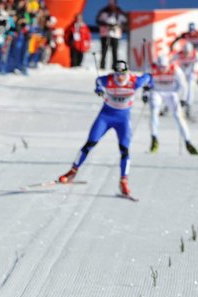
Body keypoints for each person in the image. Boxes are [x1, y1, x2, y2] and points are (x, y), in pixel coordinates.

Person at [58, 60, 150, 196]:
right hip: (106, 117)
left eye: (122, 74)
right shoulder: (108, 80)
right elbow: (98, 80)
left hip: (123, 119)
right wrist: (99, 89)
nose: (120, 77)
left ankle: (124, 180)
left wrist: (147, 90)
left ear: (127, 72)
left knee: (124, 149)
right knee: (90, 143)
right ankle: (73, 171)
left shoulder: (135, 82)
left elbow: (148, 77)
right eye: (117, 74)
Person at [147, 54, 198, 155]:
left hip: (171, 92)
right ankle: (154, 138)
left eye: (164, 67)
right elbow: (145, 81)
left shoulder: (175, 69)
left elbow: (183, 85)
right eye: (160, 67)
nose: (162, 69)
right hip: (157, 92)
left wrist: (183, 98)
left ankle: (188, 141)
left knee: (178, 117)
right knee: (154, 112)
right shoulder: (151, 68)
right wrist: (145, 92)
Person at [172, 43, 198, 118]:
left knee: (190, 86)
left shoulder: (196, 54)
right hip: (182, 73)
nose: (186, 54)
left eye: (188, 52)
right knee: (178, 87)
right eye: (185, 52)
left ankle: (188, 105)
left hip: (191, 73)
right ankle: (171, 104)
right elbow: (171, 62)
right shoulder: (179, 54)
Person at [95, 0, 126, 70]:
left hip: (115, 34)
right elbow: (98, 20)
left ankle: (115, 67)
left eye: (112, 3)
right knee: (104, 50)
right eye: (110, 3)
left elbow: (124, 22)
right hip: (105, 34)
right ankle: (102, 66)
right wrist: (106, 25)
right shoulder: (104, 11)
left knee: (114, 51)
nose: (111, 5)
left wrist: (116, 25)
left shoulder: (119, 11)